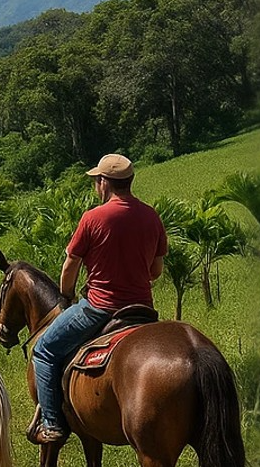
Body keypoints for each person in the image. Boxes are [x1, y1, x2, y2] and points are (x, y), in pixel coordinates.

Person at [28, 154, 168, 446]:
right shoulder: (151, 216)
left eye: (96, 181)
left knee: (44, 351)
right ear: (129, 182)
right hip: (143, 309)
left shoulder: (93, 218)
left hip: (99, 309)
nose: (96, 186)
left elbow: (70, 265)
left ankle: (52, 424)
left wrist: (66, 295)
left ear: (104, 183)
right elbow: (155, 271)